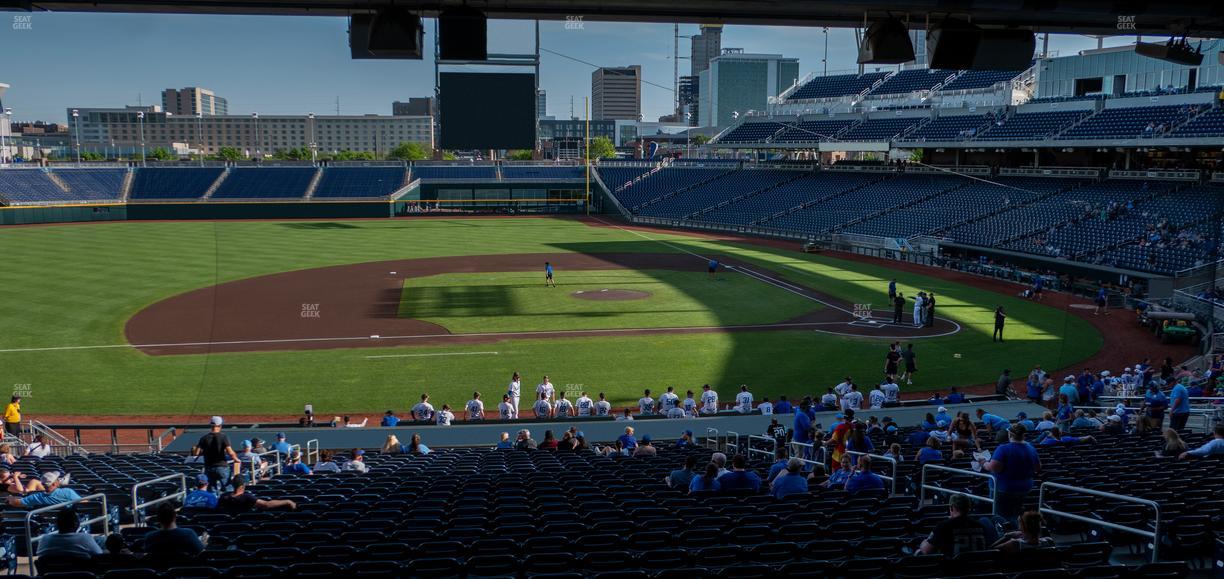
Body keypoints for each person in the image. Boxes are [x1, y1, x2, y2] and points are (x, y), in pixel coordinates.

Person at [982, 424, 1040, 521]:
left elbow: (994, 468)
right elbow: (1037, 467)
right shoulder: (1031, 448)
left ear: (1010, 434)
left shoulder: (1003, 449)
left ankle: (1008, 533)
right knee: (1016, 513)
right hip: (1024, 488)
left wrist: (983, 463)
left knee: (1002, 516)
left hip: (1004, 489)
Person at [919, 493, 991, 556]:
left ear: (951, 508)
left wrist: (924, 542)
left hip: (954, 569)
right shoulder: (981, 526)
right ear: (969, 508)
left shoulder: (944, 526)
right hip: (979, 569)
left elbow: (926, 550)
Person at [36, 508, 103, 568]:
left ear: (57, 524)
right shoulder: (84, 538)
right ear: (76, 523)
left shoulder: (44, 539)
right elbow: (99, 555)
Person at [194, 416, 239, 494]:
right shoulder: (223, 437)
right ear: (220, 425)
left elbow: (196, 453)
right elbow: (230, 452)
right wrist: (236, 459)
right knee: (227, 488)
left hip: (209, 467)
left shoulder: (203, 438)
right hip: (222, 466)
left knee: (211, 490)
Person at [218, 476, 297, 513]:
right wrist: (287, 501)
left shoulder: (224, 496)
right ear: (243, 486)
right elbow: (266, 505)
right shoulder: (246, 497)